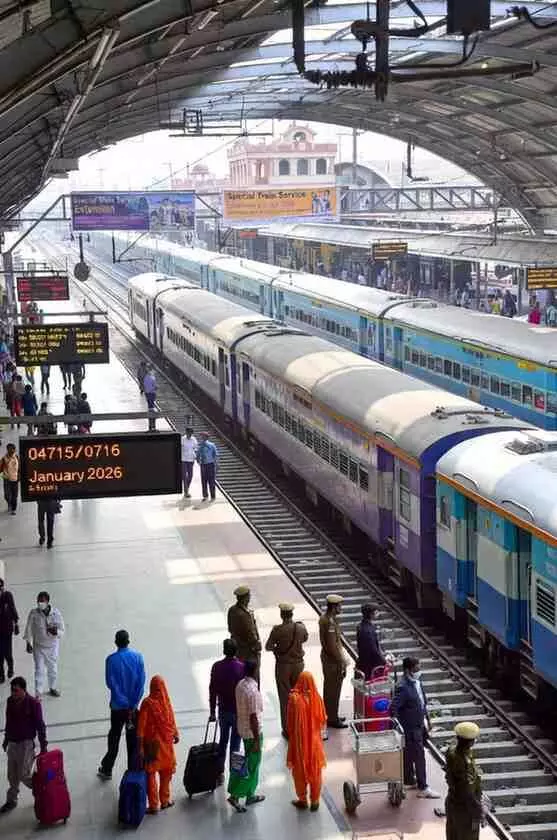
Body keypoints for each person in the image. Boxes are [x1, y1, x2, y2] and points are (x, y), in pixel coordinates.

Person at [98, 629, 145, 781]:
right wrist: (133, 704)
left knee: (114, 736)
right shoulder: (138, 657)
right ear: (128, 641)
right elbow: (141, 683)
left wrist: (123, 702)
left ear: (116, 642)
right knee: (132, 740)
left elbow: (111, 684)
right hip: (133, 709)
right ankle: (132, 772)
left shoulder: (111, 660)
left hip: (118, 708)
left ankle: (107, 768)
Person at [391, 656, 439, 799]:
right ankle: (423, 787)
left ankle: (409, 780)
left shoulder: (417, 682)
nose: (419, 671)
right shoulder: (403, 687)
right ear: (408, 670)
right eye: (416, 669)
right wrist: (398, 727)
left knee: (409, 754)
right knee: (419, 757)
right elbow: (393, 708)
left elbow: (422, 702)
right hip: (410, 728)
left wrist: (428, 720)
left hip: (419, 725)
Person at [0, 676, 48, 814]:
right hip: (13, 743)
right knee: (12, 774)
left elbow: (40, 725)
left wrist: (43, 745)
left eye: (16, 690)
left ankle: (42, 790)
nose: (13, 693)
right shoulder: (10, 701)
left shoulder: (33, 704)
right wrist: (6, 739)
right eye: (12, 690)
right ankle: (11, 800)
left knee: (24, 774)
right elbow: (9, 721)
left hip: (26, 744)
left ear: (23, 690)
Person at [137, 676, 180, 814]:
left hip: (152, 745)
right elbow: (171, 720)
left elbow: (141, 727)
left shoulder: (147, 703)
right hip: (166, 745)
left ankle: (154, 805)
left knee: (151, 775)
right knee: (166, 773)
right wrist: (176, 733)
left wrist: (140, 746)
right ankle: (165, 801)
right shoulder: (166, 702)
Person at [227, 660, 265, 813]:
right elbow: (253, 718)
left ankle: (250, 794)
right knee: (252, 766)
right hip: (252, 733)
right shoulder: (252, 692)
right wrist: (256, 739)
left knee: (245, 762)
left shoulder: (240, 685)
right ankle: (235, 796)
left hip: (242, 729)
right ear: (255, 671)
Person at [265, 603, 308, 738]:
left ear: (281, 615)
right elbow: (305, 638)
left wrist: (278, 650)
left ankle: (288, 729)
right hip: (299, 666)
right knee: (299, 696)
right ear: (292, 614)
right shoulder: (301, 628)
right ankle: (299, 725)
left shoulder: (277, 630)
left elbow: (268, 646)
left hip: (283, 667)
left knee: (285, 699)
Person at [286, 672, 327, 812]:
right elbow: (323, 720)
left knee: (299, 770)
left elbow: (289, 724)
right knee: (315, 770)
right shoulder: (317, 698)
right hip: (314, 743)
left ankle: (303, 799)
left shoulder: (294, 699)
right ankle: (315, 800)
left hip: (299, 742)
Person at [209, 639, 245, 781]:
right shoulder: (241, 667)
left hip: (223, 710)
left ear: (224, 650)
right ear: (236, 651)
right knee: (236, 744)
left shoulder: (217, 667)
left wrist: (212, 711)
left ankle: (219, 773)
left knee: (223, 741)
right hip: (238, 712)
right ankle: (235, 776)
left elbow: (212, 690)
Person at [445, 722, 483, 840]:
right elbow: (467, 790)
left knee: (453, 834)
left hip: (452, 802)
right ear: (471, 742)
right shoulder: (465, 762)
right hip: (466, 809)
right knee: (469, 835)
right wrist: (478, 808)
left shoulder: (452, 751)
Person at [23, 591, 65, 699]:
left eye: (42, 601)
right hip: (38, 647)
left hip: (52, 647)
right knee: (39, 670)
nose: (39, 603)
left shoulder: (56, 613)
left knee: (53, 669)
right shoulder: (33, 613)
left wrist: (56, 632)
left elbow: (62, 631)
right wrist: (28, 642)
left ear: (47, 602)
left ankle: (52, 688)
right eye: (38, 601)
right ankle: (38, 693)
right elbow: (28, 628)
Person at [319, 594, 348, 729]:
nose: (341, 608)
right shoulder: (330, 622)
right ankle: (332, 718)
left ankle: (331, 714)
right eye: (339, 606)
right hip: (332, 660)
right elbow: (332, 646)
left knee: (330, 688)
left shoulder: (326, 619)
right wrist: (341, 661)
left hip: (329, 659)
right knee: (333, 690)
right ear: (334, 607)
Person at [227, 585, 261, 676]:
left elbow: (230, 628)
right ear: (245, 598)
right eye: (249, 596)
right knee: (252, 676)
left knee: (239, 675)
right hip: (248, 651)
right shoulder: (244, 614)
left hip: (237, 649)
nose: (250, 597)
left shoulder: (232, 610)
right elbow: (251, 633)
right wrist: (256, 644)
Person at [356, 602, 386, 680]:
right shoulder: (367, 630)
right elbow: (373, 649)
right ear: (371, 614)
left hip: (365, 662)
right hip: (370, 665)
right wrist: (383, 660)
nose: (378, 613)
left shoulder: (363, 625)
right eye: (376, 612)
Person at [0, 579, 19, 683]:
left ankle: (10, 667)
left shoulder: (7, 595)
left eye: (0, 587)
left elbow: (12, 608)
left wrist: (16, 623)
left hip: (7, 629)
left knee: (7, 652)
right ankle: (1, 674)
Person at [196, 431, 218, 501]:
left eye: (202, 436)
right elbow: (198, 455)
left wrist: (216, 463)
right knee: (205, 480)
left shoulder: (211, 445)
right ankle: (207, 495)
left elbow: (215, 454)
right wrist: (198, 461)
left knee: (210, 480)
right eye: (201, 436)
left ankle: (211, 495)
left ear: (206, 437)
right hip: (205, 464)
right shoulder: (201, 446)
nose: (201, 437)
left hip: (209, 464)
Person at [1, 443, 18, 514]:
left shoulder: (16, 457)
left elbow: (20, 468)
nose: (11, 451)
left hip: (15, 479)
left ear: (14, 450)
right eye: (9, 449)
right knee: (7, 495)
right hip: (7, 479)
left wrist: (19, 476)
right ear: (7, 450)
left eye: (12, 449)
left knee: (14, 495)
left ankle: (13, 509)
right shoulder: (4, 458)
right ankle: (9, 504)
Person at [181, 426, 197, 498]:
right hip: (183, 459)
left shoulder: (194, 439)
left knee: (190, 476)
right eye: (189, 433)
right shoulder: (182, 439)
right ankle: (186, 492)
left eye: (191, 433)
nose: (190, 435)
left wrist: (196, 456)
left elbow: (195, 448)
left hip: (191, 460)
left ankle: (186, 489)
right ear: (186, 432)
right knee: (184, 476)